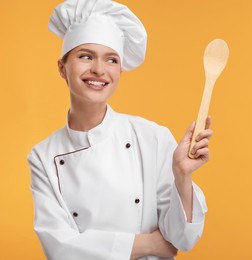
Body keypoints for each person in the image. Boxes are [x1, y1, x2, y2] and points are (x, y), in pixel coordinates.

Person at [27, 0, 213, 259]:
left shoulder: (152, 138)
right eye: (85, 56)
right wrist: (149, 245)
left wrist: (182, 175)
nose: (99, 70)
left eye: (111, 60)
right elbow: (60, 249)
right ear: (62, 67)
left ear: (120, 71)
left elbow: (184, 238)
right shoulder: (43, 156)